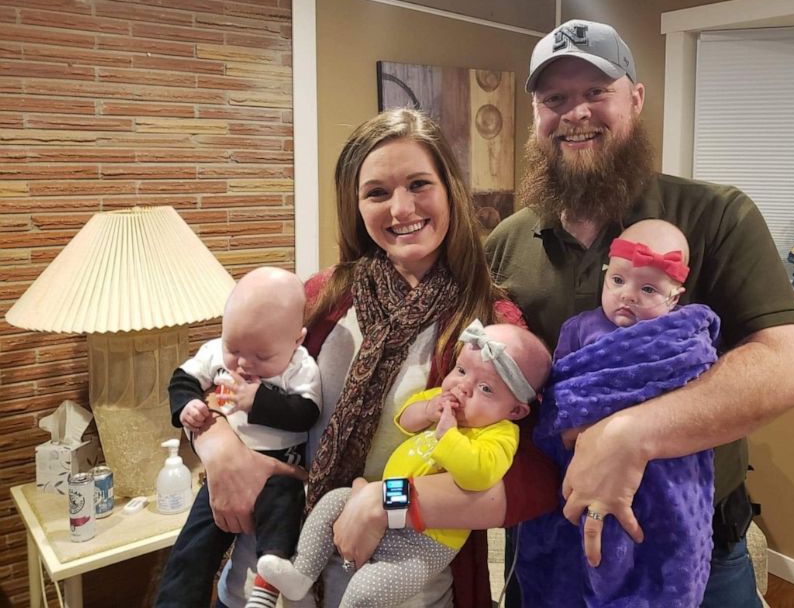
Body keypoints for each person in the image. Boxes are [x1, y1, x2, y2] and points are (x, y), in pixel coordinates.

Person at [486, 19, 794, 607]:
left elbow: (786, 371)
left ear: (635, 99)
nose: (575, 112)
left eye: (595, 92)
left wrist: (631, 435)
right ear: (536, 116)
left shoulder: (718, 217)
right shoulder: (507, 242)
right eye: (554, 98)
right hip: (546, 543)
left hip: (693, 550)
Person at [193, 109, 559, 608]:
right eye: (378, 193)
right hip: (274, 574)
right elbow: (225, 374)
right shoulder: (321, 296)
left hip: (402, 589)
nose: (401, 208)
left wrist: (385, 502)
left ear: (450, 188)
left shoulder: (490, 327)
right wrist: (218, 448)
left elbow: (535, 480)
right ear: (356, 205)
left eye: (418, 184)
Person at [257, 321, 551, 606]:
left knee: (367, 591)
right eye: (460, 370)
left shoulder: (499, 433)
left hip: (427, 540)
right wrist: (426, 410)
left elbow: (479, 475)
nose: (462, 387)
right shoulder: (442, 399)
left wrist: (447, 438)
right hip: (375, 500)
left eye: (486, 389)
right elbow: (405, 420)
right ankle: (301, 573)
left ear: (515, 410)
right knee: (333, 501)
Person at [518, 218, 721, 607]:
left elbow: (697, 385)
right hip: (583, 462)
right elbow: (562, 387)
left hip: (658, 470)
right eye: (618, 281)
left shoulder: (678, 335)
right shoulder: (579, 328)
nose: (627, 295)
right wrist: (577, 420)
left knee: (652, 555)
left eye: (647, 289)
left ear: (674, 299)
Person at [156, 267, 321, 608]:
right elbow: (183, 378)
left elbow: (307, 412)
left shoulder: (301, 367)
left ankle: (264, 589)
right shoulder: (216, 352)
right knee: (192, 547)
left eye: (262, 356)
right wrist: (186, 404)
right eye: (234, 349)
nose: (243, 364)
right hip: (219, 477)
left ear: (297, 340)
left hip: (278, 473)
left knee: (281, 526)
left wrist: (257, 400)